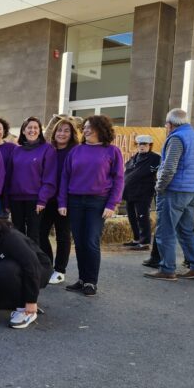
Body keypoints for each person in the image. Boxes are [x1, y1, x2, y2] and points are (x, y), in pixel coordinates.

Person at [58, 114, 124, 296]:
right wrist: (62, 202)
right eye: (84, 127)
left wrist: (112, 204)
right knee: (79, 242)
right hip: (75, 201)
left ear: (100, 129)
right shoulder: (76, 151)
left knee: (91, 241)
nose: (85, 130)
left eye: (89, 127)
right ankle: (81, 279)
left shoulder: (112, 151)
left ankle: (91, 281)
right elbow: (65, 177)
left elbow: (119, 179)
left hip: (98, 202)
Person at [145, 109, 194, 281]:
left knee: (165, 231)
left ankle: (167, 268)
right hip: (192, 190)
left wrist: (159, 187)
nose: (166, 127)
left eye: (166, 124)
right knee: (185, 230)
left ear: (170, 124)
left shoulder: (176, 138)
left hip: (174, 190)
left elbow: (169, 167)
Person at [39, 117, 80, 284]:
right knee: (41, 233)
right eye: (59, 130)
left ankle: (60, 269)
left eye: (66, 131)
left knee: (63, 235)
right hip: (47, 199)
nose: (62, 134)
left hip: (65, 200)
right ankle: (48, 264)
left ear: (71, 134)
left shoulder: (75, 151)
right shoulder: (49, 150)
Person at [5, 117, 57, 244]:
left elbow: (50, 177)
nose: (32, 130)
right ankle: (21, 263)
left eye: (35, 128)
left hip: (36, 200)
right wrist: (7, 202)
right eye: (29, 127)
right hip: (16, 199)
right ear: (23, 131)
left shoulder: (47, 149)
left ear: (40, 131)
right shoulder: (16, 150)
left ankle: (35, 263)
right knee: (18, 235)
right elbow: (9, 177)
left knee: (34, 236)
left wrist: (42, 199)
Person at [122, 134, 160, 251]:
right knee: (132, 216)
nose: (142, 146)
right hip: (130, 192)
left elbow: (159, 172)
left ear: (150, 145)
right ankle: (136, 238)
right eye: (140, 144)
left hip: (143, 192)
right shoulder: (134, 157)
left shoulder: (155, 158)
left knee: (142, 217)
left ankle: (144, 242)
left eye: (145, 144)